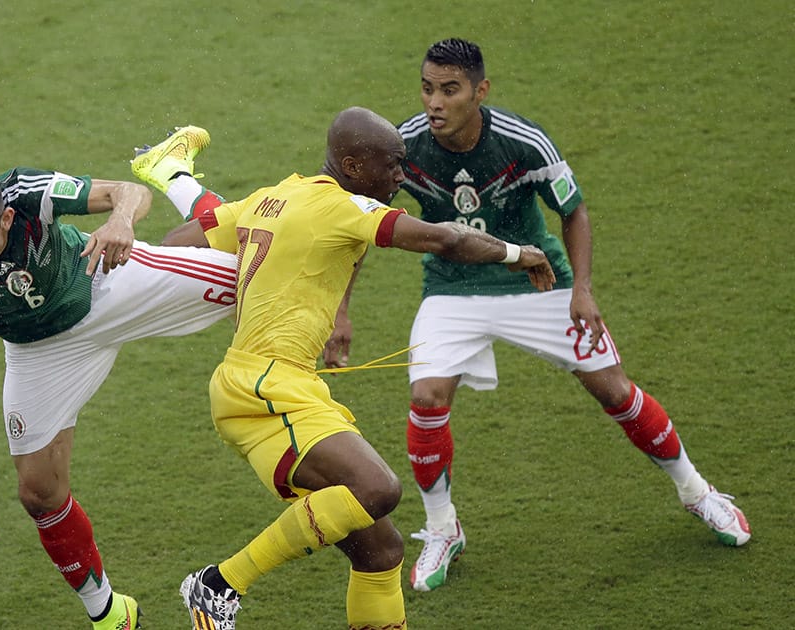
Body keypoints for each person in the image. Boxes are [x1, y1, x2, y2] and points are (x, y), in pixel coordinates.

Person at [131, 107, 556, 629]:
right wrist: (521, 254)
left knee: (379, 551)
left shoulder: (270, 198)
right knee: (377, 489)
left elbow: (176, 245)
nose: (402, 175)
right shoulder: (345, 207)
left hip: (259, 387)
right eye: (393, 165)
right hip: (268, 389)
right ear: (353, 166)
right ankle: (219, 584)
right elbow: (446, 238)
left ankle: (223, 586)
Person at [392, 37, 751, 592]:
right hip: (452, 289)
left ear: (480, 92)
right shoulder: (404, 146)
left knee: (613, 390)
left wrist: (582, 288)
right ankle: (443, 528)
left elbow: (573, 210)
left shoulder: (522, 142)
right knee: (426, 397)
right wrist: (339, 313)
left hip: (539, 283)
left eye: (449, 90)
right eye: (426, 88)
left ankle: (697, 492)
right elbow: (360, 220)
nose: (434, 102)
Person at [0, 155, 239, 629]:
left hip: (106, 281)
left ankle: (182, 180)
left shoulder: (24, 192)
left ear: (5, 218)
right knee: (38, 492)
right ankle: (108, 613)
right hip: (39, 353)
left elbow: (126, 191)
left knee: (251, 275)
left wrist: (121, 221)